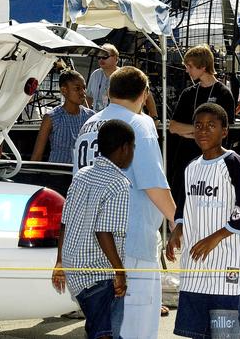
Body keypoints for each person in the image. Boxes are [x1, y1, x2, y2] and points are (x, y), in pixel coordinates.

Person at [73, 66, 175, 339]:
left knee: (102, 327)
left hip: (91, 244)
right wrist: (178, 221)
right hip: (130, 241)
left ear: (108, 92)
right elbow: (153, 183)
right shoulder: (139, 124)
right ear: (144, 95)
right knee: (135, 327)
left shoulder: (88, 125)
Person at [166, 103, 240, 338]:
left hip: (224, 263)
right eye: (198, 126)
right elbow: (184, 205)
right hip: (194, 264)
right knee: (197, 331)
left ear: (225, 131)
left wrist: (216, 237)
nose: (204, 131)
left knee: (224, 332)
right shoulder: (191, 168)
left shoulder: (232, 162)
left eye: (211, 125)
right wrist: (177, 229)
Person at [53, 120, 136, 339]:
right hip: (97, 271)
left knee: (99, 329)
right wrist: (120, 272)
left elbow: (64, 222)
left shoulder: (82, 175)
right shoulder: (119, 183)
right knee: (104, 333)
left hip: (75, 268)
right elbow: (103, 231)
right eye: (133, 148)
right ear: (125, 148)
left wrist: (60, 261)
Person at [169, 45, 235, 210]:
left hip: (212, 160)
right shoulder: (188, 93)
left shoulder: (223, 93)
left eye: (190, 66)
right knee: (182, 206)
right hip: (185, 159)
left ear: (203, 66)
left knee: (208, 206)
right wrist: (200, 131)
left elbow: (223, 130)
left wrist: (191, 132)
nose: (187, 71)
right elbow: (173, 127)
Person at [31, 69, 94, 164]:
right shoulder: (51, 117)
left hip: (81, 176)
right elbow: (37, 156)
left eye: (84, 88)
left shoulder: (91, 116)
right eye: (77, 88)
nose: (83, 93)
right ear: (64, 90)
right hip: (56, 175)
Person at [86, 43, 159, 119]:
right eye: (99, 57)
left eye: (105, 56)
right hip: (100, 120)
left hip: (124, 121)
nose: (101, 59)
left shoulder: (126, 75)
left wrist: (154, 117)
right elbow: (89, 97)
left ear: (116, 58)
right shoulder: (95, 75)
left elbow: (147, 94)